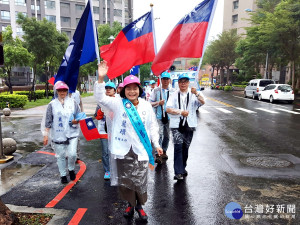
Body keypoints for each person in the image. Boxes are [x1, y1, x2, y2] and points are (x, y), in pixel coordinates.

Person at [94, 61, 163, 221]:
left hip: (141, 150)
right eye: (128, 88)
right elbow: (100, 97)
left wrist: (157, 145)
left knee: (140, 179)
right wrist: (101, 77)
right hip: (122, 148)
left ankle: (139, 206)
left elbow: (153, 127)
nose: (132, 91)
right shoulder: (117, 103)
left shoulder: (146, 106)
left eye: (135, 88)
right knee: (126, 181)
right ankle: (131, 205)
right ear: (124, 90)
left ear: (139, 90)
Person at [166, 73, 205, 181]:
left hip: (190, 125)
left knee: (185, 148)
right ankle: (178, 172)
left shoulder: (194, 93)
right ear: (178, 83)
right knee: (178, 147)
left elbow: (203, 102)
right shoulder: (173, 95)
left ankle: (182, 167)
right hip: (176, 125)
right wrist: (180, 112)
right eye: (181, 81)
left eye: (185, 81)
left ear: (188, 83)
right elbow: (168, 109)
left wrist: (196, 93)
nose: (183, 83)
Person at [42, 81, 81, 184]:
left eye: (64, 90)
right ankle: (63, 174)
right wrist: (46, 135)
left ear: (67, 91)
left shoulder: (73, 103)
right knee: (61, 156)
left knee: (72, 154)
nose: (62, 92)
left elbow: (79, 115)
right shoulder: (52, 105)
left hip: (72, 133)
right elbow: (48, 120)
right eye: (60, 90)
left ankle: (71, 169)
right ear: (56, 91)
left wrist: (76, 120)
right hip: (58, 134)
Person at [149, 71, 175, 164]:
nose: (165, 81)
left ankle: (164, 151)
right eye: (163, 79)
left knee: (167, 135)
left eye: (167, 79)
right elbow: (149, 103)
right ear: (161, 80)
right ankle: (158, 154)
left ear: (169, 80)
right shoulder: (156, 91)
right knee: (159, 135)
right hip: (158, 117)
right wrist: (158, 103)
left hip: (169, 117)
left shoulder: (173, 91)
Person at [94, 81, 116, 180]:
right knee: (105, 152)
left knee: (115, 151)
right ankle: (107, 170)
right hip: (103, 131)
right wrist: (100, 112)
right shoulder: (101, 102)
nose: (108, 90)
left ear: (114, 90)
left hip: (115, 131)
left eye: (110, 88)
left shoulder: (118, 101)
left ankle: (116, 169)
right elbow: (96, 117)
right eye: (106, 88)